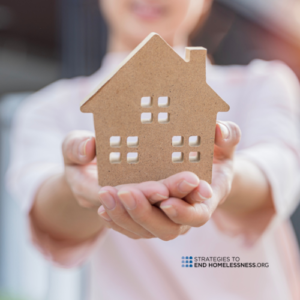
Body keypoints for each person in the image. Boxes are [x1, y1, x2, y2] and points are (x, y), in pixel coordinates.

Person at [6, 0, 300, 299]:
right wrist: (77, 187)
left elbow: (279, 169)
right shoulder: (48, 108)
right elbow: (45, 211)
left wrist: (226, 175)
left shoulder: (262, 83)